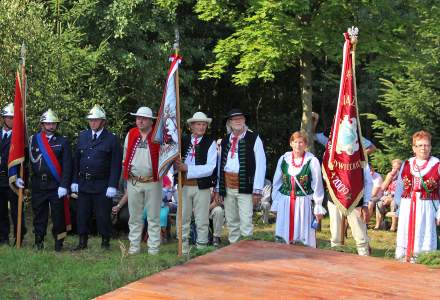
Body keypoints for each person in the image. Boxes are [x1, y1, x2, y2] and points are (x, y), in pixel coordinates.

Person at [71, 104, 122, 250]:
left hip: (102, 183)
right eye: (91, 120)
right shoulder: (83, 136)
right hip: (84, 182)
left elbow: (115, 164)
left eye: (96, 120)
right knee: (82, 213)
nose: (92, 122)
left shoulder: (111, 139)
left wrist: (112, 185)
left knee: (102, 215)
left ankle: (105, 242)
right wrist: (74, 180)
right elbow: (77, 161)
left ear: (103, 122)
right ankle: (82, 242)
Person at [215, 109, 266, 243]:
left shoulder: (254, 138)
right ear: (229, 123)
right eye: (234, 119)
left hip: (245, 187)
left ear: (244, 121)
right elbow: (221, 165)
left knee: (246, 220)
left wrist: (257, 190)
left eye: (240, 118)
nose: (238, 121)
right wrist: (219, 188)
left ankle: (247, 249)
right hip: (228, 186)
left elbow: (261, 165)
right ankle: (234, 248)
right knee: (231, 221)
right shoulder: (225, 140)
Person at [271, 131, 326, 247]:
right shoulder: (284, 159)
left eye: (301, 142)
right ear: (291, 143)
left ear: (306, 145)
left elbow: (317, 185)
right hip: (285, 202)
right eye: (295, 142)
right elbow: (276, 182)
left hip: (303, 204)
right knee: (284, 233)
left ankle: (304, 260)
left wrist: (318, 205)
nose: (298, 145)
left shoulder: (312, 161)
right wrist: (275, 202)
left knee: (303, 234)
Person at [28, 109, 72, 251]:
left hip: (56, 185)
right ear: (42, 124)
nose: (51, 126)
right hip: (38, 184)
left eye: (54, 123)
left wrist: (64, 185)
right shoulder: (33, 140)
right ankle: (38, 242)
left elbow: (67, 165)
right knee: (39, 215)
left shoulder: (63, 141)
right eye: (48, 123)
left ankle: (59, 243)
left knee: (58, 216)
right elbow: (26, 161)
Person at [174, 112, 217, 254]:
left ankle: (201, 249)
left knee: (202, 219)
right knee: (183, 218)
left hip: (202, 187)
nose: (202, 126)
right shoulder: (182, 140)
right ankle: (183, 249)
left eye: (204, 124)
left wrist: (187, 168)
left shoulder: (210, 142)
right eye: (198, 124)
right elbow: (174, 161)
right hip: (184, 185)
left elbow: (210, 168)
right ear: (191, 126)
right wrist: (176, 165)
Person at [394, 131, 440, 262]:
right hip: (407, 206)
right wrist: (399, 207)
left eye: (426, 145)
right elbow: (399, 187)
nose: (423, 148)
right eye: (419, 145)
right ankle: (404, 259)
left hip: (427, 207)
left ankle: (423, 260)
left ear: (430, 147)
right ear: (413, 148)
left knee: (424, 234)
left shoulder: (437, 165)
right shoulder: (407, 164)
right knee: (406, 233)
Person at [123, 107, 161, 255]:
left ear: (151, 121)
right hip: (134, 181)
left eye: (144, 118)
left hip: (153, 181)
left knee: (153, 216)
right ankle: (134, 247)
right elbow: (126, 155)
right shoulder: (131, 133)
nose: (140, 120)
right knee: (134, 216)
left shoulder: (159, 135)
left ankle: (153, 248)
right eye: (138, 117)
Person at [328, 163, 373, 256]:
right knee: (336, 237)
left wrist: (365, 203)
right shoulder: (331, 151)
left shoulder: (359, 155)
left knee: (361, 238)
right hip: (335, 199)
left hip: (355, 201)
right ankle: (335, 264)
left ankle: (365, 265)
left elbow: (368, 181)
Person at [0, 103, 26, 246]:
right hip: (0, 178)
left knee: (16, 211)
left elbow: (25, 160)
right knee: (1, 210)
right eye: (9, 118)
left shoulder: (19, 137)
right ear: (3, 118)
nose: (11, 120)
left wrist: (23, 178)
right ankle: (3, 237)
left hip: (13, 178)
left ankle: (19, 236)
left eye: (13, 118)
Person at [312, 112, 376, 155]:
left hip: (351, 168)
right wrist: (316, 120)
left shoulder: (352, 135)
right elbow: (311, 136)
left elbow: (372, 148)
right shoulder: (328, 135)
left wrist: (356, 156)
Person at [374, 159, 402, 231]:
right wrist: (389, 178)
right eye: (393, 168)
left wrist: (392, 198)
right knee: (379, 204)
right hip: (387, 196)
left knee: (394, 203)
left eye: (397, 168)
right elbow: (382, 188)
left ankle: (393, 226)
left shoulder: (403, 177)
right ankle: (378, 225)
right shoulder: (390, 175)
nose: (395, 170)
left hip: (397, 198)